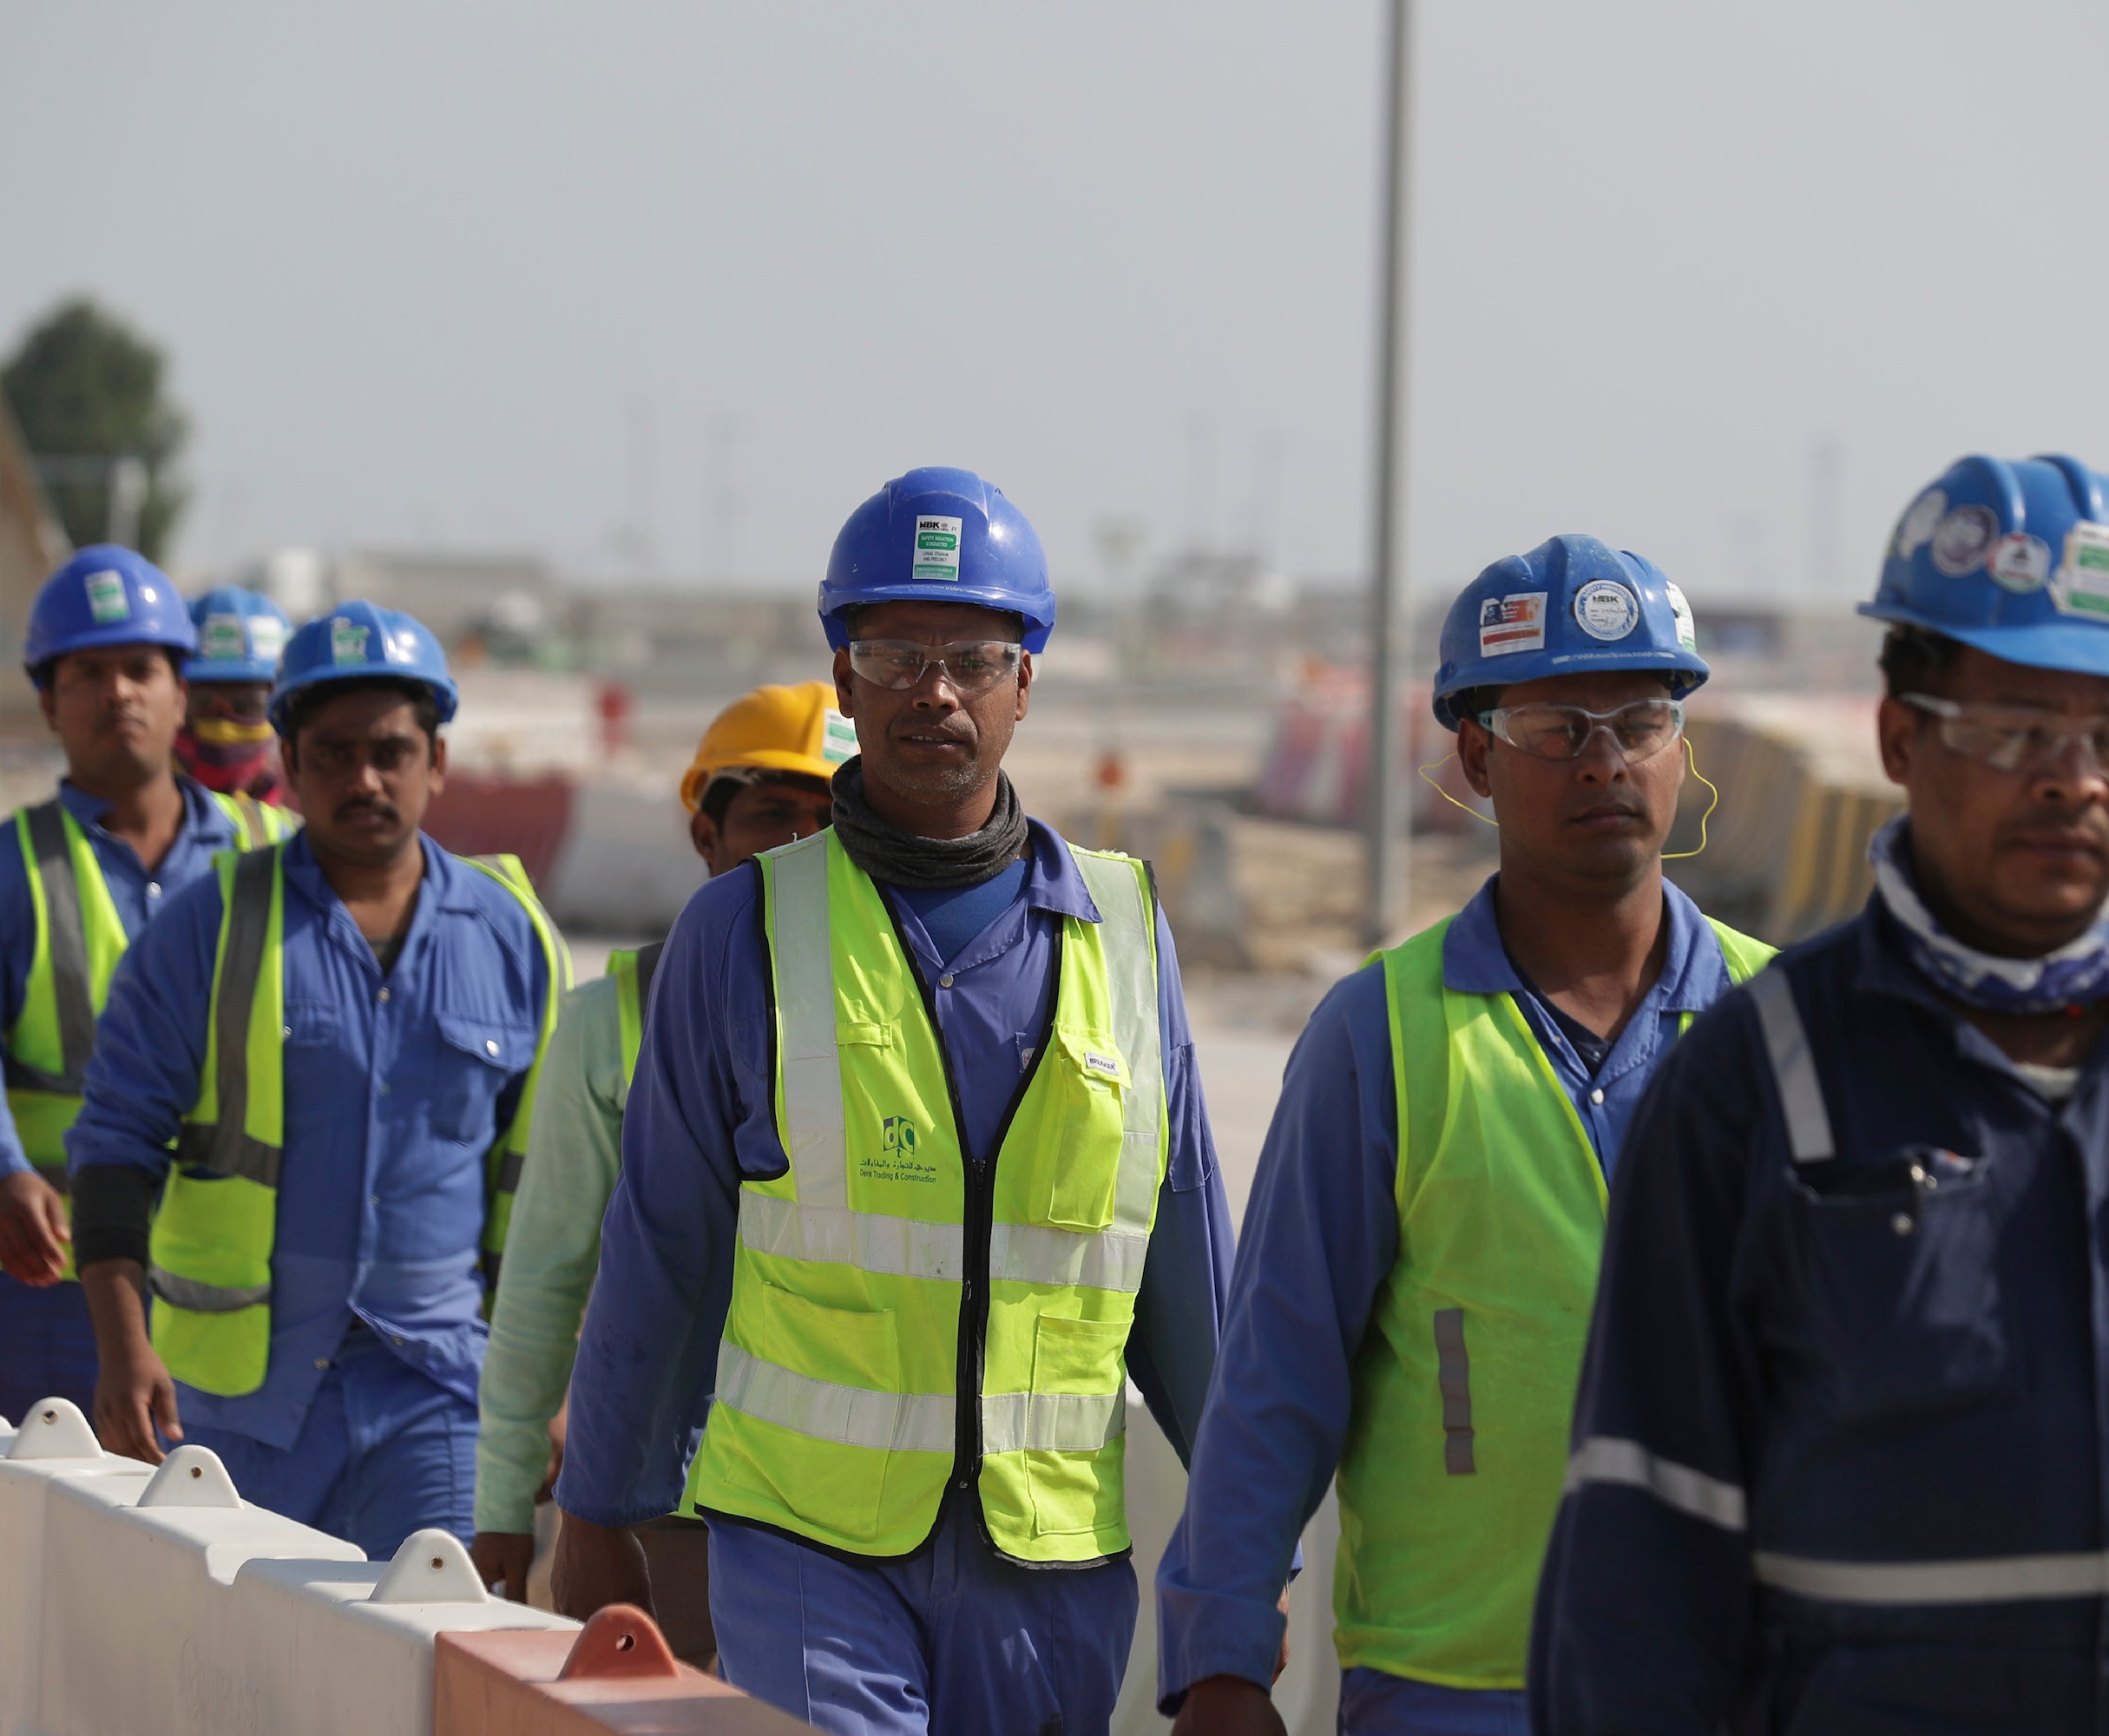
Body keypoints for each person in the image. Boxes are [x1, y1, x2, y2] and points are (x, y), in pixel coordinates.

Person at [1530, 453, 2109, 1733]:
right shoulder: (1756, 1089)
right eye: (2021, 729)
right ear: (1900, 737)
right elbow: (1639, 1595)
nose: (2073, 778)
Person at [551, 466, 1235, 1735]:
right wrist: (598, 1513)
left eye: (973, 655)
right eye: (896, 651)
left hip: (1052, 1569)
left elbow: (1188, 1277)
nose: (936, 689)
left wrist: (1250, 1556)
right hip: (809, 1550)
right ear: (843, 677)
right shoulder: (742, 931)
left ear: (1026, 678)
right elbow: (663, 1252)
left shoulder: (1130, 936)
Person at [1159, 539, 1773, 1735]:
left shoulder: (1779, 1030)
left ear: (1682, 750)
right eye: (1558, 728)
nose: (1606, 761)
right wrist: (1222, 1657)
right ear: (1477, 756)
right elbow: (1276, 1377)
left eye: (1640, 720)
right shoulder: (1380, 1038)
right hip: (1451, 1693)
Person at [64, 601, 566, 1562]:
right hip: (240, 1408)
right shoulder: (206, 929)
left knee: (425, 1670)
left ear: (438, 761)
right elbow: (115, 1146)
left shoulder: (515, 940)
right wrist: (123, 1345)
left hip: (442, 1397)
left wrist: (554, 1387)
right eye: (332, 754)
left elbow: (554, 1195)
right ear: (290, 765)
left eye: (390, 750)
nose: (364, 778)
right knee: (237, 1681)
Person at [470, 680, 844, 1654]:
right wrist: (509, 1492)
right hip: (663, 1509)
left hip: (850, 1514)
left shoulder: (905, 1027)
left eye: (833, 818)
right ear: (706, 835)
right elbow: (546, 1272)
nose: (806, 845)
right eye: (773, 816)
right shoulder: (610, 1023)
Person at [0, 548, 292, 1423]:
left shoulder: (275, 856)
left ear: (178, 690)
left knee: (231, 1552)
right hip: (47, 1281)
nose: (118, 690)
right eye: (88, 671)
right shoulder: (1, 866)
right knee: (37, 1545)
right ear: (49, 701)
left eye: (140, 668)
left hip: (229, 1289)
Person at [177, 586, 292, 806]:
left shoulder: (311, 812)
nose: (223, 726)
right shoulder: (130, 815)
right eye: (201, 701)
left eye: (247, 704)